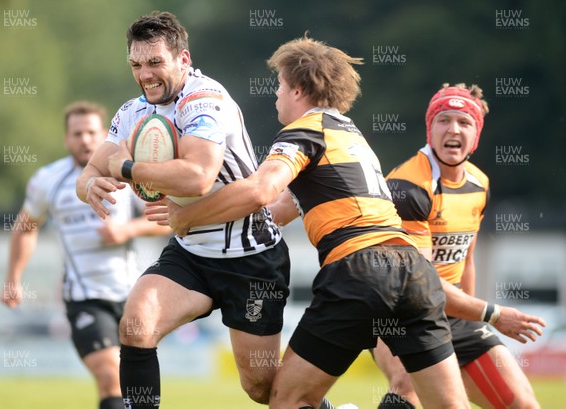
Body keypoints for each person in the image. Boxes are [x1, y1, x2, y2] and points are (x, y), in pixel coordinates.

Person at [160, 36, 473, 409]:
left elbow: (261, 189)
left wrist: (187, 216)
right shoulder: (350, 133)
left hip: (360, 271)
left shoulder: (304, 130)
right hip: (415, 273)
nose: (275, 95)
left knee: (287, 399)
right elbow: (275, 210)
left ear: (297, 88)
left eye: (278, 85)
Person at [76, 12, 339, 409]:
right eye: (136, 65)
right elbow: (92, 169)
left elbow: (198, 177)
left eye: (154, 63)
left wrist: (125, 168)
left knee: (262, 389)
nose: (144, 74)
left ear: (183, 59)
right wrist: (89, 185)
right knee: (136, 323)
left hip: (251, 259)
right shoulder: (133, 111)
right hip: (191, 254)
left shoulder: (204, 100)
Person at [370, 83, 543, 408]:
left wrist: (475, 317)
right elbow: (419, 285)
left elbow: (468, 259)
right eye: (443, 120)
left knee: (523, 404)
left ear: (475, 135)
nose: (453, 129)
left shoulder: (479, 184)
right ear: (429, 129)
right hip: (399, 309)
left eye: (464, 122)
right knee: (409, 386)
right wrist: (492, 314)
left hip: (453, 309)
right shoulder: (408, 187)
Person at [0, 101, 170, 409]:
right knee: (109, 375)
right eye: (77, 134)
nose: (85, 140)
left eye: (92, 132)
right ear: (66, 139)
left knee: (136, 385)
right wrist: (12, 279)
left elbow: (167, 220)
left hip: (133, 295)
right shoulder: (48, 180)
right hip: (84, 298)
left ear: (104, 134)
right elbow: (25, 228)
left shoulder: (128, 175)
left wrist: (128, 230)